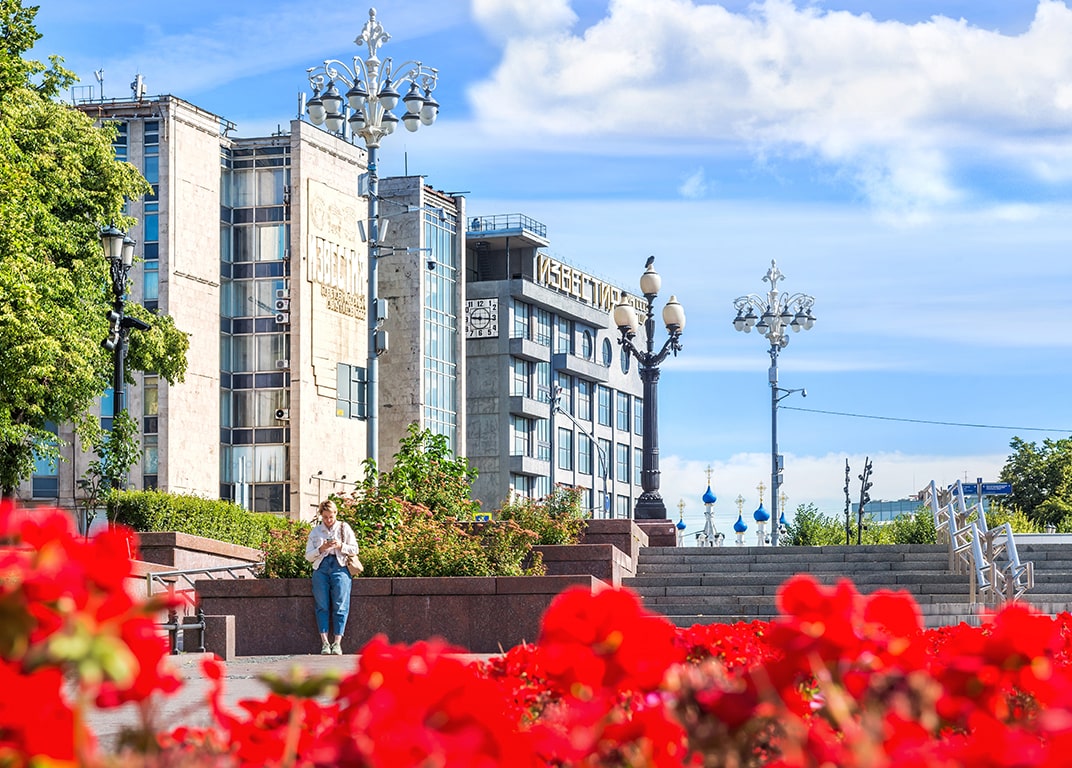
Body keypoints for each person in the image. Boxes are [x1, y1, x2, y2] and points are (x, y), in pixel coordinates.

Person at [304, 499, 359, 654]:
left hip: (340, 566)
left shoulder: (344, 527)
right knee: (321, 605)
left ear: (336, 514)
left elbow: (355, 549)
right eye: (325, 517)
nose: (328, 520)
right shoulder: (316, 532)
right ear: (321, 515)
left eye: (331, 517)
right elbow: (308, 556)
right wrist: (321, 548)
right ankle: (325, 643)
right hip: (321, 568)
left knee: (340, 604)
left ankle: (337, 643)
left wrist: (340, 545)